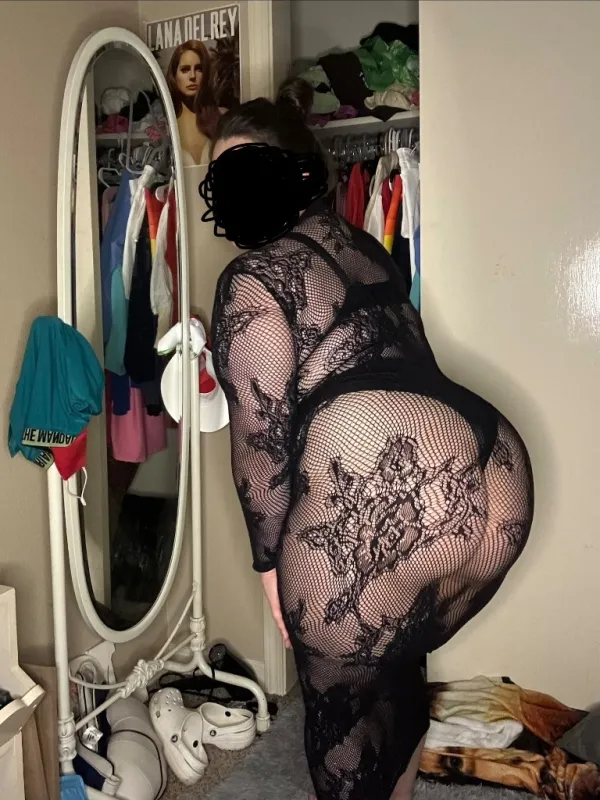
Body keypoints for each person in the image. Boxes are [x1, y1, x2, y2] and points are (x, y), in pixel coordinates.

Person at [205, 78, 534, 800]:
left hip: (388, 497)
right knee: (397, 673)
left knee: (342, 726)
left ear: (297, 174)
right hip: (498, 474)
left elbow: (261, 446)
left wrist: (271, 569)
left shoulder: (254, 277)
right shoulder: (363, 248)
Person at [166, 40, 222, 166]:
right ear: (174, 75)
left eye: (199, 69)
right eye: (185, 69)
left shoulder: (221, 118)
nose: (192, 76)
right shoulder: (165, 124)